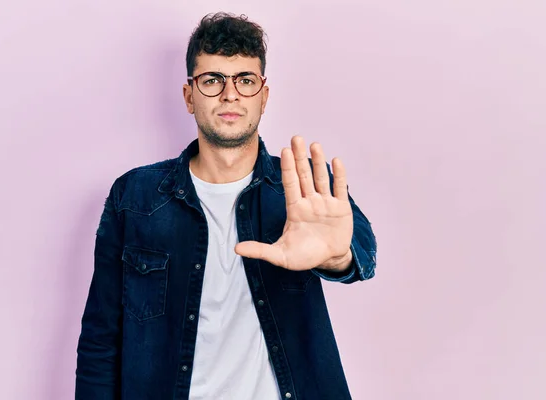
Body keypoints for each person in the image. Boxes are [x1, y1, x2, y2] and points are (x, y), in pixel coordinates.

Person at [75, 12, 377, 400]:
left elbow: (360, 255)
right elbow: (101, 340)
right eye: (213, 80)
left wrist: (336, 259)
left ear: (263, 97)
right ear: (189, 96)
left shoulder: (304, 189)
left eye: (245, 80)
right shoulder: (134, 197)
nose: (230, 94)